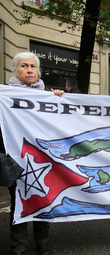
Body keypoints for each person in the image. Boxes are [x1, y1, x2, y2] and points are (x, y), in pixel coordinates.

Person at [5, 52, 64, 255]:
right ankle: (18, 247)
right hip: (16, 159)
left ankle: (42, 242)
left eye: (33, 66)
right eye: (24, 66)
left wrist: (58, 99)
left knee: (43, 199)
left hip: (42, 159)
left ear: (38, 71)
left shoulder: (48, 95)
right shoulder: (5, 97)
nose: (29, 69)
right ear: (16, 70)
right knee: (19, 203)